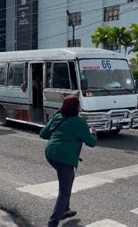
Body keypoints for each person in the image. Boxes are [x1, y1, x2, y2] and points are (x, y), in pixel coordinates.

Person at [40, 95, 97, 227]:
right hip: (64, 158)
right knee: (65, 190)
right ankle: (52, 223)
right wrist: (93, 132)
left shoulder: (57, 117)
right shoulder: (79, 122)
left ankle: (65, 209)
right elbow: (92, 143)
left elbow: (43, 134)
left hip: (51, 154)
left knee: (67, 179)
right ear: (76, 107)